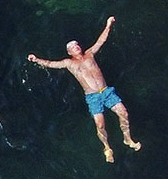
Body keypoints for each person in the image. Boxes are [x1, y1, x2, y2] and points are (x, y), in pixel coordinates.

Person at [27, 17, 139, 162]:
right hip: (93, 97)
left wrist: (108, 25)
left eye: (77, 45)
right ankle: (107, 147)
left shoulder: (89, 54)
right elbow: (50, 63)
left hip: (106, 91)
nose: (77, 47)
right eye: (73, 47)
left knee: (123, 113)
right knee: (100, 124)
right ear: (69, 52)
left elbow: (101, 41)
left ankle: (127, 138)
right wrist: (36, 59)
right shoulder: (69, 63)